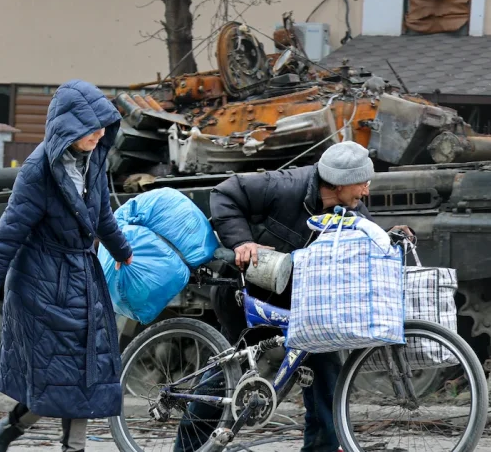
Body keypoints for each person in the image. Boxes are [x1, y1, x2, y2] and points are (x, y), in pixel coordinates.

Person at [174, 141, 413, 452]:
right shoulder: (285, 186)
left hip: (300, 303)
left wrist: (393, 234)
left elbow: (367, 238)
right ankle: (187, 448)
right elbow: (226, 193)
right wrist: (242, 242)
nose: (365, 192)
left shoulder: (352, 208)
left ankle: (322, 449)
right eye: (361, 184)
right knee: (226, 375)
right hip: (247, 295)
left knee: (327, 373)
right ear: (339, 183)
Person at [0, 80, 134, 452]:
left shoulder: (95, 158)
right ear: (68, 126)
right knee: (68, 377)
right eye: (91, 127)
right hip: (43, 285)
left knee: (80, 376)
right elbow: (6, 237)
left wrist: (122, 250)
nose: (100, 133)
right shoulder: (37, 172)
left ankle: (6, 431)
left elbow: (102, 214)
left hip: (83, 278)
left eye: (103, 124)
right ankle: (61, 445)